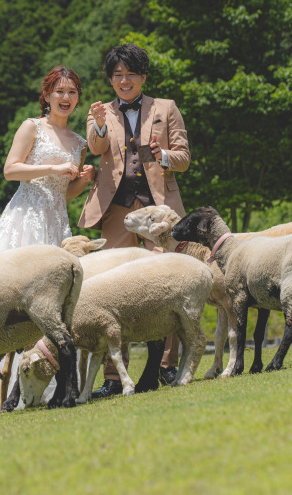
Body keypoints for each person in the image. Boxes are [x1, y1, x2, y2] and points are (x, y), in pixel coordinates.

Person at [78, 43, 190, 398]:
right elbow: (96, 149)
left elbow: (184, 157)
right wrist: (98, 125)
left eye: (130, 74)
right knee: (111, 287)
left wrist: (164, 155)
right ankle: (114, 376)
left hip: (159, 209)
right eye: (117, 75)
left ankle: (167, 366)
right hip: (116, 209)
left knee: (167, 281)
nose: (123, 81)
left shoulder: (166, 108)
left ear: (143, 76)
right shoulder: (99, 112)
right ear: (110, 79)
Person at [0, 65, 95, 256]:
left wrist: (84, 180)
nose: (66, 97)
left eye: (72, 92)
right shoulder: (31, 127)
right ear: (47, 95)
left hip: (57, 221)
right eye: (59, 91)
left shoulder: (80, 144)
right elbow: (10, 171)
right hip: (26, 217)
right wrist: (53, 168)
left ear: (77, 98)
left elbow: (65, 193)